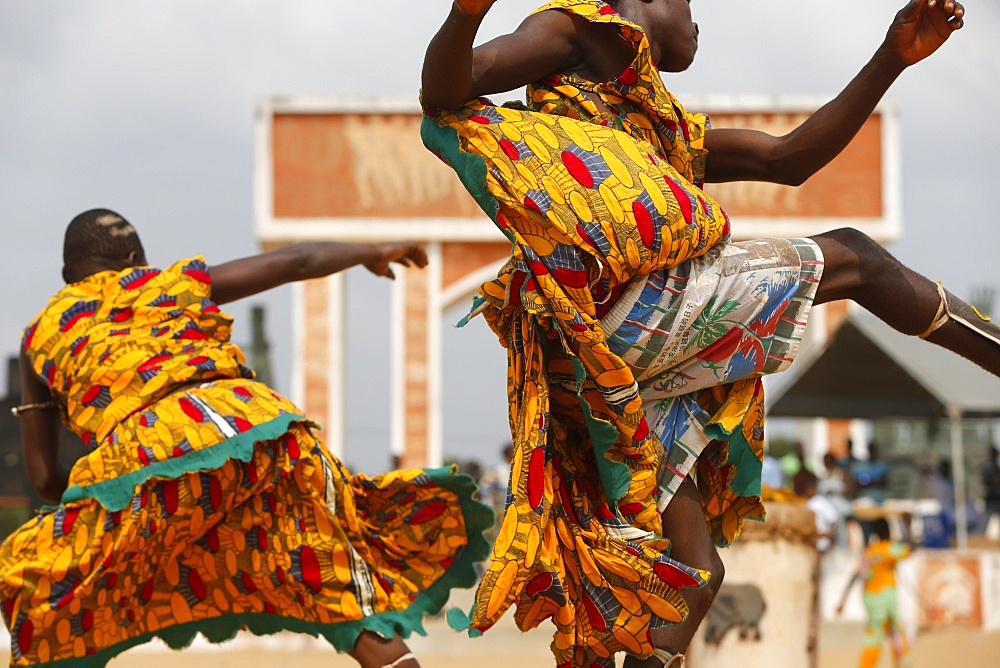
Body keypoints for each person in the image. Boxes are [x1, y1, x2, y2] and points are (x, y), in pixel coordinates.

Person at [421, 1, 992, 665]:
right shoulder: (573, 29)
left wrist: (892, 58)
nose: (697, 22)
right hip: (620, 314)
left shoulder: (661, 126)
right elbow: (446, 89)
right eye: (689, 5)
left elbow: (790, 157)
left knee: (693, 573)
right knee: (857, 259)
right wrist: (465, 14)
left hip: (608, 369)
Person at [0, 209, 494, 668]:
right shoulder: (168, 283)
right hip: (264, 435)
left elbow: (44, 478)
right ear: (134, 261)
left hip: (148, 453)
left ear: (69, 278)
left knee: (36, 587)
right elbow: (296, 260)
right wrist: (371, 251)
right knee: (334, 588)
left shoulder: (42, 334)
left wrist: (112, 493)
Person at [836, 517, 913, 668]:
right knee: (896, 633)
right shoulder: (888, 548)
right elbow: (909, 549)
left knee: (874, 636)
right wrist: (906, 524)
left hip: (870, 599)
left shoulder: (869, 552)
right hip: (887, 599)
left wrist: (842, 600)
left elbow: (855, 576)